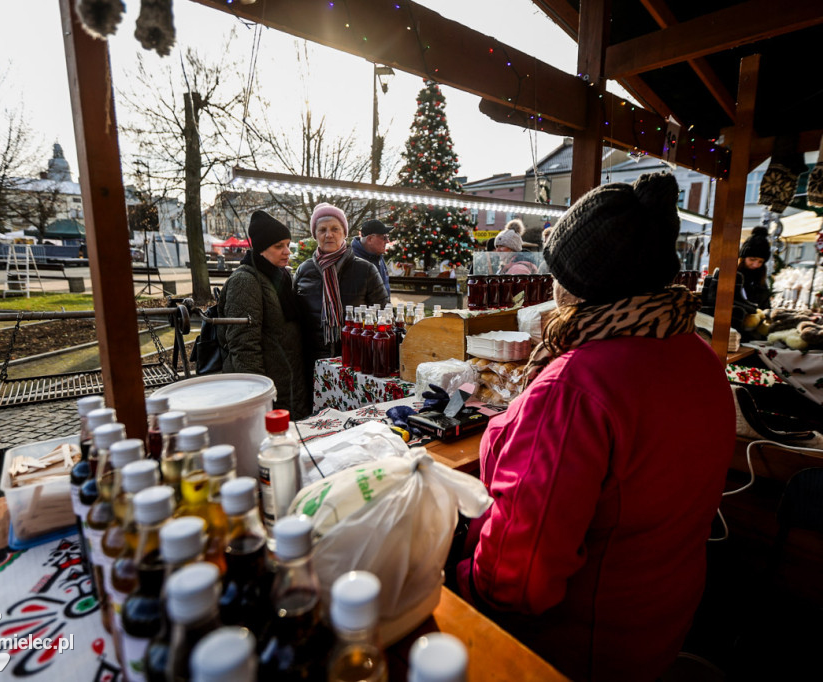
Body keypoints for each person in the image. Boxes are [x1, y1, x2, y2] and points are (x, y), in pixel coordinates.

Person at [457, 173, 735, 682]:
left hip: (578, 645)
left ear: (583, 284)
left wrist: (459, 585)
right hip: (659, 621)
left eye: (558, 273)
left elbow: (519, 581)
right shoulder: (693, 352)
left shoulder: (576, 386)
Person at [218, 210, 309, 418]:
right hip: (267, 391)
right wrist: (258, 396)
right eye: (279, 246)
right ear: (260, 249)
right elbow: (243, 346)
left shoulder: (281, 276)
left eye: (287, 244)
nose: (287, 251)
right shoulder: (245, 281)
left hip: (290, 383)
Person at [294, 202, 390, 359]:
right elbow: (295, 318)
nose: (328, 234)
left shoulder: (366, 270)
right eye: (322, 230)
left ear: (344, 233)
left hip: (356, 358)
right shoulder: (304, 270)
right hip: (312, 360)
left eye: (335, 229)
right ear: (315, 234)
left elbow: (384, 315)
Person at [351, 219, 393, 297]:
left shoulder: (378, 255)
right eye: (384, 237)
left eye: (387, 236)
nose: (387, 241)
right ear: (370, 239)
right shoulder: (351, 259)